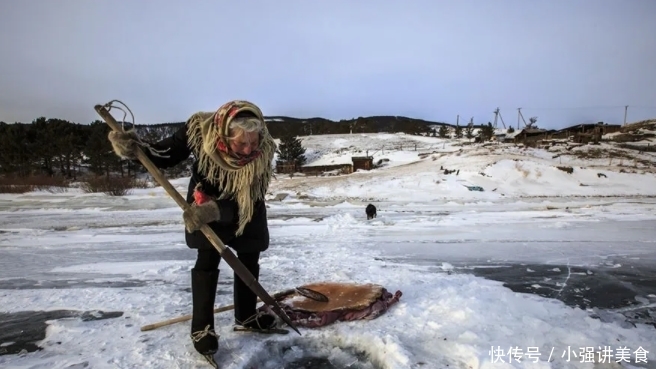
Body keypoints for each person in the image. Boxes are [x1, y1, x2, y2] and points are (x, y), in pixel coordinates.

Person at [107, 100, 278, 364]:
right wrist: (134, 148)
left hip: (245, 205)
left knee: (249, 255)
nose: (248, 150)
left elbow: (253, 197)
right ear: (223, 134)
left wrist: (219, 209)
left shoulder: (263, 152)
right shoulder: (200, 129)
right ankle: (202, 328)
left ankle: (246, 315)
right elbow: (165, 154)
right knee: (207, 259)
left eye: (253, 143)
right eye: (241, 143)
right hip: (204, 198)